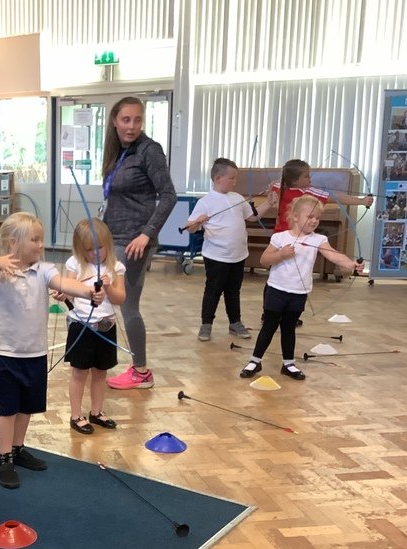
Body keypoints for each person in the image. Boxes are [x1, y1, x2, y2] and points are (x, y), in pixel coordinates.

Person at [0, 212, 105, 488]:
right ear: (14, 242)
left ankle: (17, 448)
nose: (41, 245)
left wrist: (90, 293)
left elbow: (65, 284)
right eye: (35, 240)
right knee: (7, 410)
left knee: (26, 407)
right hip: (5, 353)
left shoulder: (44, 270)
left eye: (41, 239)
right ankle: (4, 458)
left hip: (35, 353)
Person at [239, 196, 363, 382]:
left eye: (317, 218)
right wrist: (281, 254)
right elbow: (264, 260)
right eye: (310, 216)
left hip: (298, 293)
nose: (314, 221)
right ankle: (255, 361)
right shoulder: (280, 237)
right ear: (295, 217)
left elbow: (335, 256)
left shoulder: (319, 239)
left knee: (289, 328)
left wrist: (351, 264)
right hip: (276, 290)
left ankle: (288, 364)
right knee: (269, 327)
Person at [100, 96, 176, 390]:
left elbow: (168, 195)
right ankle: (104, 362)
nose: (132, 126)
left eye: (138, 120)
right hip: (112, 236)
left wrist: (146, 234)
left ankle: (141, 371)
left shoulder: (149, 150)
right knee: (106, 299)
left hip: (135, 241)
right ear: (115, 121)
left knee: (127, 304)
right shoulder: (117, 151)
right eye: (126, 120)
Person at [269, 159, 373, 326]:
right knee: (277, 277)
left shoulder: (280, 187)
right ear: (295, 179)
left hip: (298, 239)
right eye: (306, 176)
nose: (310, 178)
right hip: (282, 239)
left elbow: (336, 197)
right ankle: (271, 313)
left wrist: (361, 201)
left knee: (293, 276)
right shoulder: (294, 191)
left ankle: (288, 314)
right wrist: (361, 201)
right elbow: (335, 197)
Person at [185, 157, 277, 342]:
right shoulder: (206, 202)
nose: (235, 182)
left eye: (236, 178)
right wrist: (197, 222)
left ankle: (235, 322)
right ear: (218, 178)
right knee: (213, 290)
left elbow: (252, 217)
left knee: (233, 290)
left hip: (238, 254)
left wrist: (269, 202)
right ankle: (206, 324)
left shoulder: (237, 198)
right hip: (216, 255)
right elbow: (190, 227)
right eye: (232, 178)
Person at [57, 217, 126, 434]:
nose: (95, 253)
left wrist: (109, 287)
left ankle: (96, 412)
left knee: (100, 372)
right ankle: (76, 415)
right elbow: (68, 289)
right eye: (88, 249)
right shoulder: (75, 264)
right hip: (81, 325)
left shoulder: (116, 267)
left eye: (100, 247)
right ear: (80, 249)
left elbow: (120, 299)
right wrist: (62, 293)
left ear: (108, 244)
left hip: (106, 326)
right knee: (79, 373)